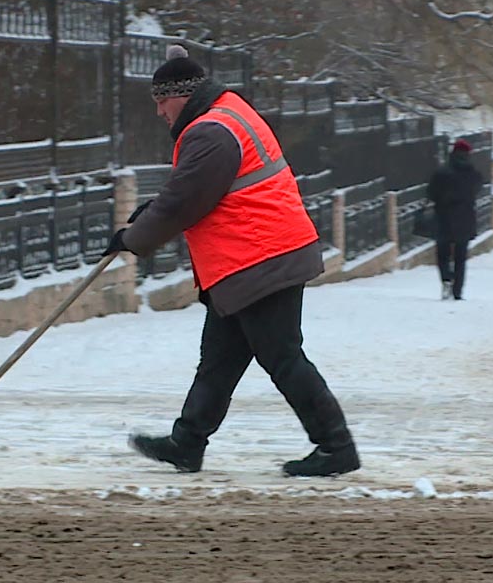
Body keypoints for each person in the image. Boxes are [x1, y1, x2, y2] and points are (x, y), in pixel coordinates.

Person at [104, 44, 358, 478]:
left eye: (161, 101)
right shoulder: (227, 111)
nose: (159, 112)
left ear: (180, 96)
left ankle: (336, 447)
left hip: (261, 258)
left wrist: (133, 238)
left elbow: (185, 202)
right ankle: (187, 442)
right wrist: (149, 214)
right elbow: (196, 191)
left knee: (283, 358)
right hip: (250, 258)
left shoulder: (208, 132)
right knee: (220, 360)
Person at [426, 139, 486, 301]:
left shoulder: (441, 172)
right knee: (460, 256)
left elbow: (431, 193)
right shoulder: (473, 174)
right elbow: (477, 190)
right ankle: (457, 291)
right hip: (465, 218)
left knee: (443, 253)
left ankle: (446, 278)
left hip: (443, 217)